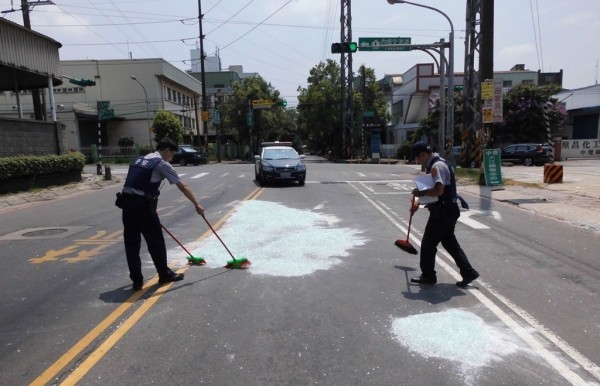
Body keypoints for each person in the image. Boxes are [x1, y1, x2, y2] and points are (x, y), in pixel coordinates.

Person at [117, 138, 204, 290]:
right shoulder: (161, 164)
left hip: (127, 206)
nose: (172, 157)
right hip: (143, 208)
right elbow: (182, 186)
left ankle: (137, 281)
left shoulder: (138, 160)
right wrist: (197, 204)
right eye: (172, 154)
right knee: (155, 242)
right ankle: (164, 274)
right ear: (166, 150)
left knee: (131, 245)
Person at [409, 141, 480, 287]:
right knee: (449, 242)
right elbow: (433, 191)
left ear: (423, 154)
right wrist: (417, 202)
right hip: (447, 210)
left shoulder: (437, 166)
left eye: (417, 158)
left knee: (428, 244)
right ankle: (468, 272)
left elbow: (438, 191)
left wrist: (420, 193)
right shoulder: (437, 164)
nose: (418, 161)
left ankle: (428, 276)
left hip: (443, 212)